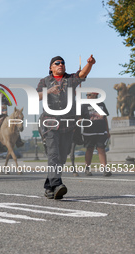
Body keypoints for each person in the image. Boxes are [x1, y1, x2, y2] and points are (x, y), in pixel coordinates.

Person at [37, 55, 96, 200]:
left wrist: (90, 64)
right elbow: (35, 96)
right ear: (51, 67)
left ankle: (49, 186)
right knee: (53, 154)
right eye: (57, 63)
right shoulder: (45, 81)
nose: (60, 65)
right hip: (49, 122)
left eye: (62, 63)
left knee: (62, 157)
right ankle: (57, 184)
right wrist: (48, 91)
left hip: (67, 124)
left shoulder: (70, 79)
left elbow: (82, 74)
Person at [81, 92, 111, 177]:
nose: (88, 96)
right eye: (87, 95)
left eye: (90, 95)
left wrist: (107, 131)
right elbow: (79, 118)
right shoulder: (84, 105)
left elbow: (105, 118)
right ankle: (87, 169)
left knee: (101, 149)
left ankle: (105, 169)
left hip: (101, 131)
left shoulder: (101, 104)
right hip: (89, 132)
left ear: (95, 96)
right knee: (89, 150)